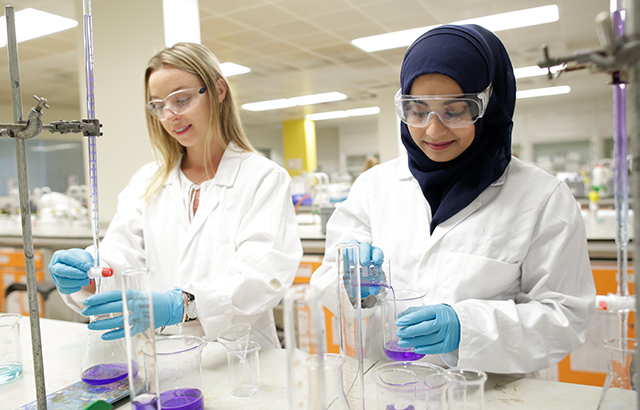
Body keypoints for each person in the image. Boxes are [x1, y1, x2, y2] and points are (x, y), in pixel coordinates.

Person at [310, 24, 596, 374]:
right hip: (388, 384)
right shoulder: (373, 187)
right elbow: (325, 281)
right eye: (417, 110)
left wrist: (468, 328)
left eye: (455, 110)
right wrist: (350, 285)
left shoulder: (543, 197)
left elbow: (565, 316)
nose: (433, 130)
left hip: (488, 394)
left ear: (490, 107)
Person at [48, 42, 303, 348]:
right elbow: (121, 257)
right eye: (158, 106)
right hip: (163, 356)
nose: (170, 115)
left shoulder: (263, 178)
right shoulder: (147, 181)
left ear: (219, 90)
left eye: (181, 100)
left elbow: (262, 277)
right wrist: (86, 271)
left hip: (239, 357)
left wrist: (180, 306)